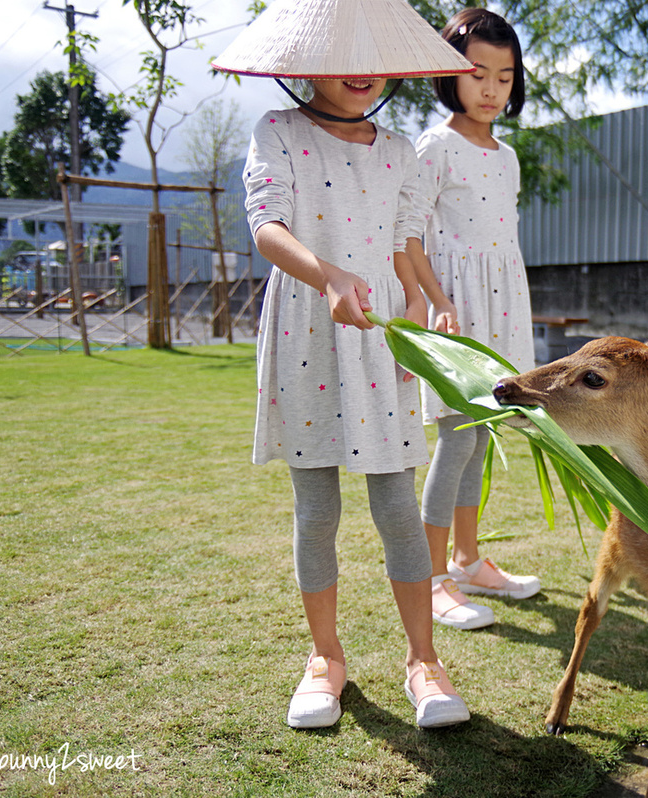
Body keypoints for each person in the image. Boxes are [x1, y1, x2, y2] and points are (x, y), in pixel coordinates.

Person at [211, 0, 476, 730]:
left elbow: (401, 244)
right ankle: (325, 656)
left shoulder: (398, 151)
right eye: (339, 54)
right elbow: (267, 225)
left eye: (372, 55)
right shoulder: (279, 132)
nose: (359, 72)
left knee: (396, 503)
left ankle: (424, 660)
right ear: (302, 64)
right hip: (307, 329)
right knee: (316, 508)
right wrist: (326, 275)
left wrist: (416, 322)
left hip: (376, 334)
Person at [411, 8, 540, 632]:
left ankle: (465, 558)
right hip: (457, 308)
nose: (491, 88)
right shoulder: (435, 147)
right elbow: (405, 233)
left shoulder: (508, 157)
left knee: (483, 434)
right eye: (476, 73)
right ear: (450, 76)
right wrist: (437, 299)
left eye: (505, 76)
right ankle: (432, 578)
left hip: (501, 304)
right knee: (457, 436)